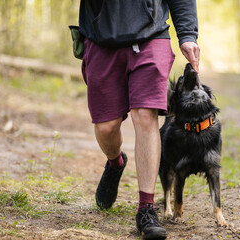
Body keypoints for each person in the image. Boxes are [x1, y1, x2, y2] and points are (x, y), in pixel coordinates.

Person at [78, 0, 199, 238]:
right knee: (106, 127)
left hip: (151, 35)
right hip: (102, 38)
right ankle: (115, 163)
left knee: (145, 115)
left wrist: (187, 33)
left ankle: (146, 208)